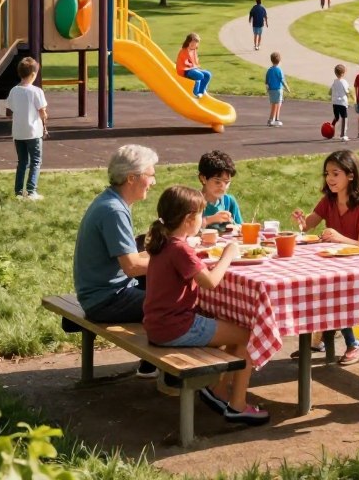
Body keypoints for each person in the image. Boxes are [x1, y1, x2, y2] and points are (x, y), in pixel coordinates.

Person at [142, 186, 268, 425]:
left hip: (157, 324)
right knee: (250, 335)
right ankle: (238, 406)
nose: (202, 219)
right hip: (176, 327)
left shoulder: (164, 242)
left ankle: (218, 391)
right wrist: (229, 255)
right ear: (190, 219)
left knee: (234, 330)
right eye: (200, 214)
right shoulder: (180, 249)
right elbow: (210, 282)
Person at [73, 144, 159, 376]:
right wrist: (172, 262)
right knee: (174, 306)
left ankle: (151, 363)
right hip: (105, 300)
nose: (154, 182)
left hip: (100, 293)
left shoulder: (111, 201)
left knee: (161, 287)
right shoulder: (114, 210)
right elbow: (131, 267)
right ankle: (172, 374)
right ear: (132, 178)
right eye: (151, 175)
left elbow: (129, 258)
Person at [292, 150, 359, 365]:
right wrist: (301, 221)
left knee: (338, 292)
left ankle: (358, 342)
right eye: (327, 174)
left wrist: (339, 238)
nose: (330, 178)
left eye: (335, 173)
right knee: (314, 284)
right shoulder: (328, 200)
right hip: (336, 262)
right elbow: (309, 225)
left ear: (350, 175)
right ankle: (321, 337)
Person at [7, 56, 47, 201]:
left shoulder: (14, 90)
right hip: (33, 132)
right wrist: (44, 117)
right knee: (36, 161)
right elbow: (42, 111)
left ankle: (18, 191)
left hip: (18, 133)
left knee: (22, 162)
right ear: (34, 75)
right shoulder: (36, 91)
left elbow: (10, 108)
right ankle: (31, 191)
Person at [199, 149, 243, 229]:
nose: (223, 187)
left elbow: (241, 228)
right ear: (203, 178)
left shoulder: (229, 201)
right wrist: (209, 220)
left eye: (227, 182)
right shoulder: (192, 202)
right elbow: (184, 231)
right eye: (217, 182)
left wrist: (236, 227)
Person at [176, 32, 211, 98]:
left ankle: (201, 91)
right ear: (188, 42)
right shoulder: (183, 51)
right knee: (199, 75)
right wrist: (195, 68)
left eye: (195, 43)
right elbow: (186, 63)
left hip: (192, 69)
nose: (193, 44)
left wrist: (197, 68)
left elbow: (195, 62)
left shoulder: (194, 50)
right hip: (184, 70)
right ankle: (195, 93)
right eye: (191, 42)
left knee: (207, 74)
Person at [265, 51, 290, 127]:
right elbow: (282, 80)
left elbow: (266, 82)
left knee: (273, 104)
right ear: (279, 61)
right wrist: (287, 88)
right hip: (278, 90)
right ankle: (276, 119)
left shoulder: (269, 70)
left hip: (271, 90)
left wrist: (267, 90)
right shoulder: (279, 70)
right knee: (278, 104)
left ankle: (271, 119)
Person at [330, 62, 350, 141]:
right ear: (343, 73)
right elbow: (346, 91)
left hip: (335, 103)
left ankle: (331, 130)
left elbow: (330, 91)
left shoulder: (334, 81)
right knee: (344, 118)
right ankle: (343, 134)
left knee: (336, 117)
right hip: (342, 103)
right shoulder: (344, 82)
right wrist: (349, 95)